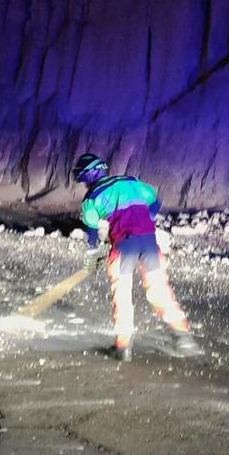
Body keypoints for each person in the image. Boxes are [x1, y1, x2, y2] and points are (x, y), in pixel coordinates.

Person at [72, 153, 202, 362]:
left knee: (122, 295)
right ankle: (184, 339)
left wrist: (93, 256)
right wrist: (145, 221)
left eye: (83, 179)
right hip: (149, 243)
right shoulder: (131, 181)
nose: (84, 185)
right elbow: (155, 201)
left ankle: (123, 348)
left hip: (123, 248)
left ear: (88, 175)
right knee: (159, 290)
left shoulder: (92, 197)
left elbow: (92, 232)